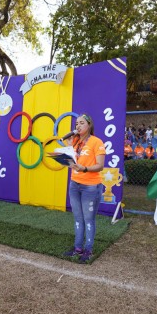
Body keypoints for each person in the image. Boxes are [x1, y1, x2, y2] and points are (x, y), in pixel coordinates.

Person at [63, 113, 105, 263]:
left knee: (88, 219)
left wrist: (84, 169)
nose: (78, 126)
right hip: (74, 184)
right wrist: (67, 149)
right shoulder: (74, 142)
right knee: (78, 218)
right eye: (76, 124)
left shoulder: (96, 142)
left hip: (91, 187)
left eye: (81, 123)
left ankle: (88, 249)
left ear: (89, 125)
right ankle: (77, 248)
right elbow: (72, 160)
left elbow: (100, 166)